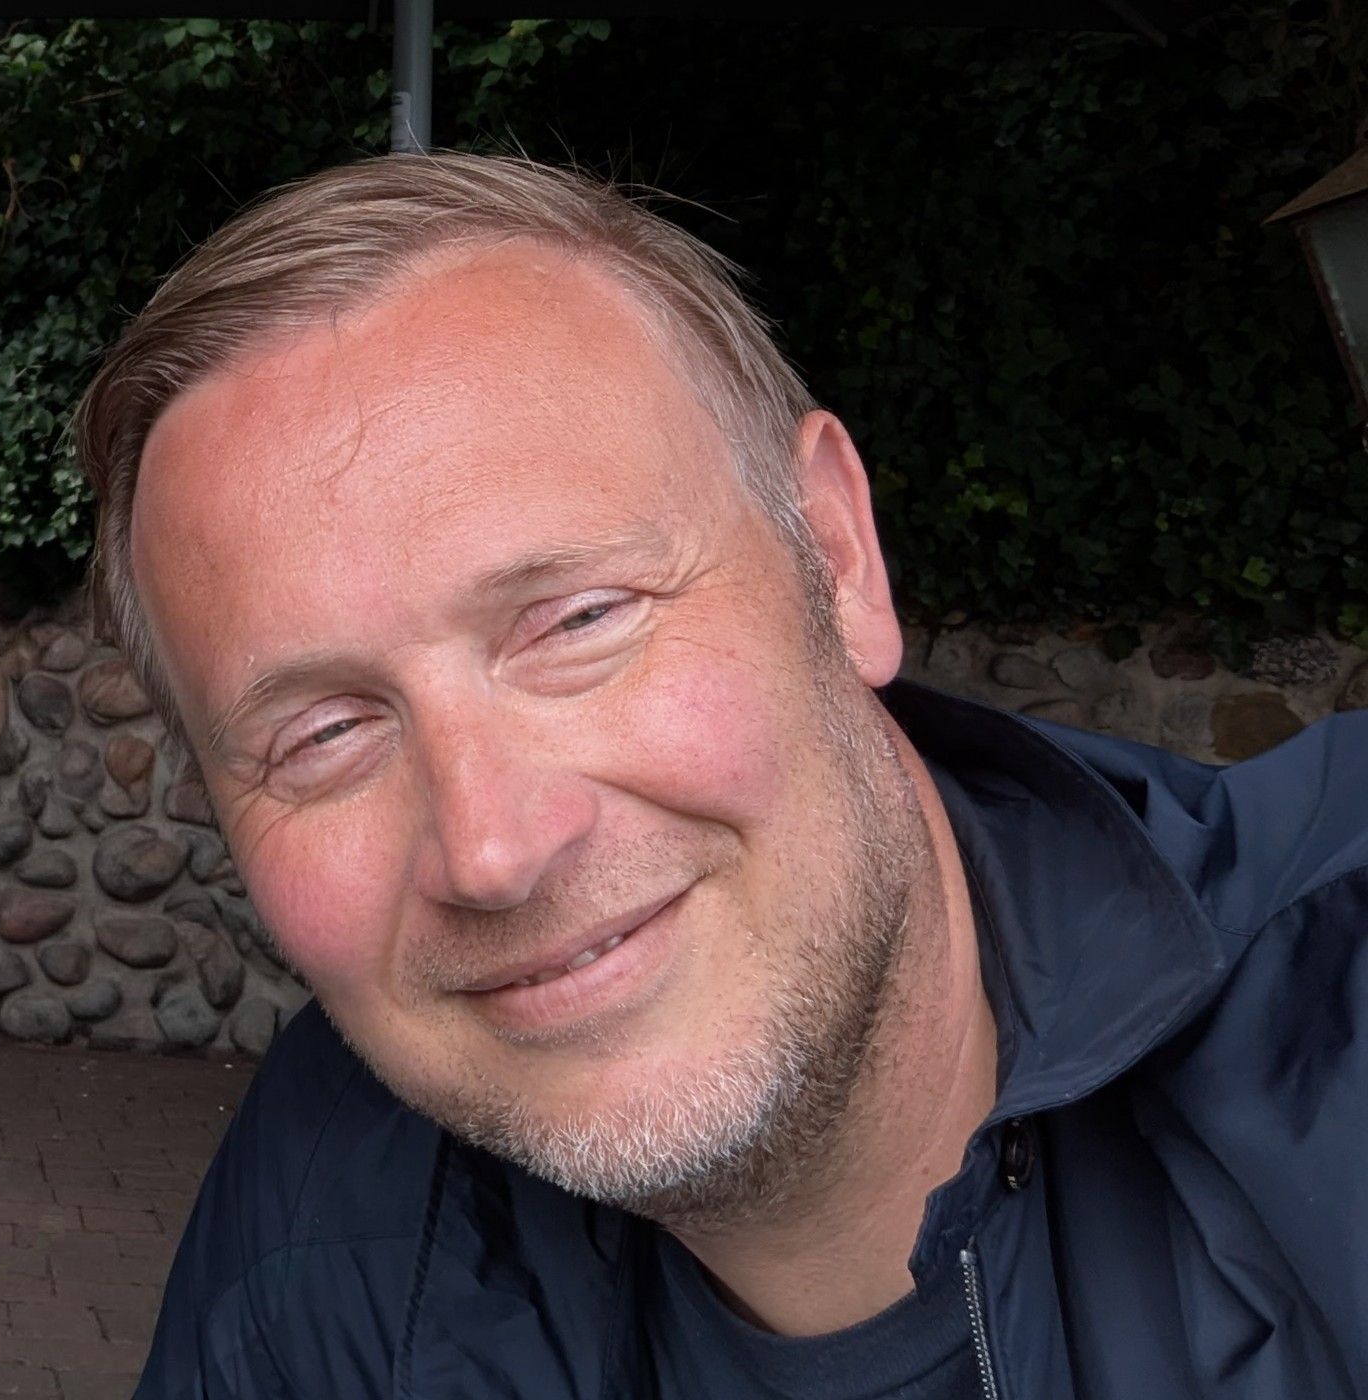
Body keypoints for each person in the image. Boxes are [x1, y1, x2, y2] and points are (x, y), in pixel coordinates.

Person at [74, 153, 1366, 1400]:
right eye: (322, 735)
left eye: (579, 619)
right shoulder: (319, 1234)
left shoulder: (1334, 1025)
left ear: (837, 557)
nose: (493, 848)